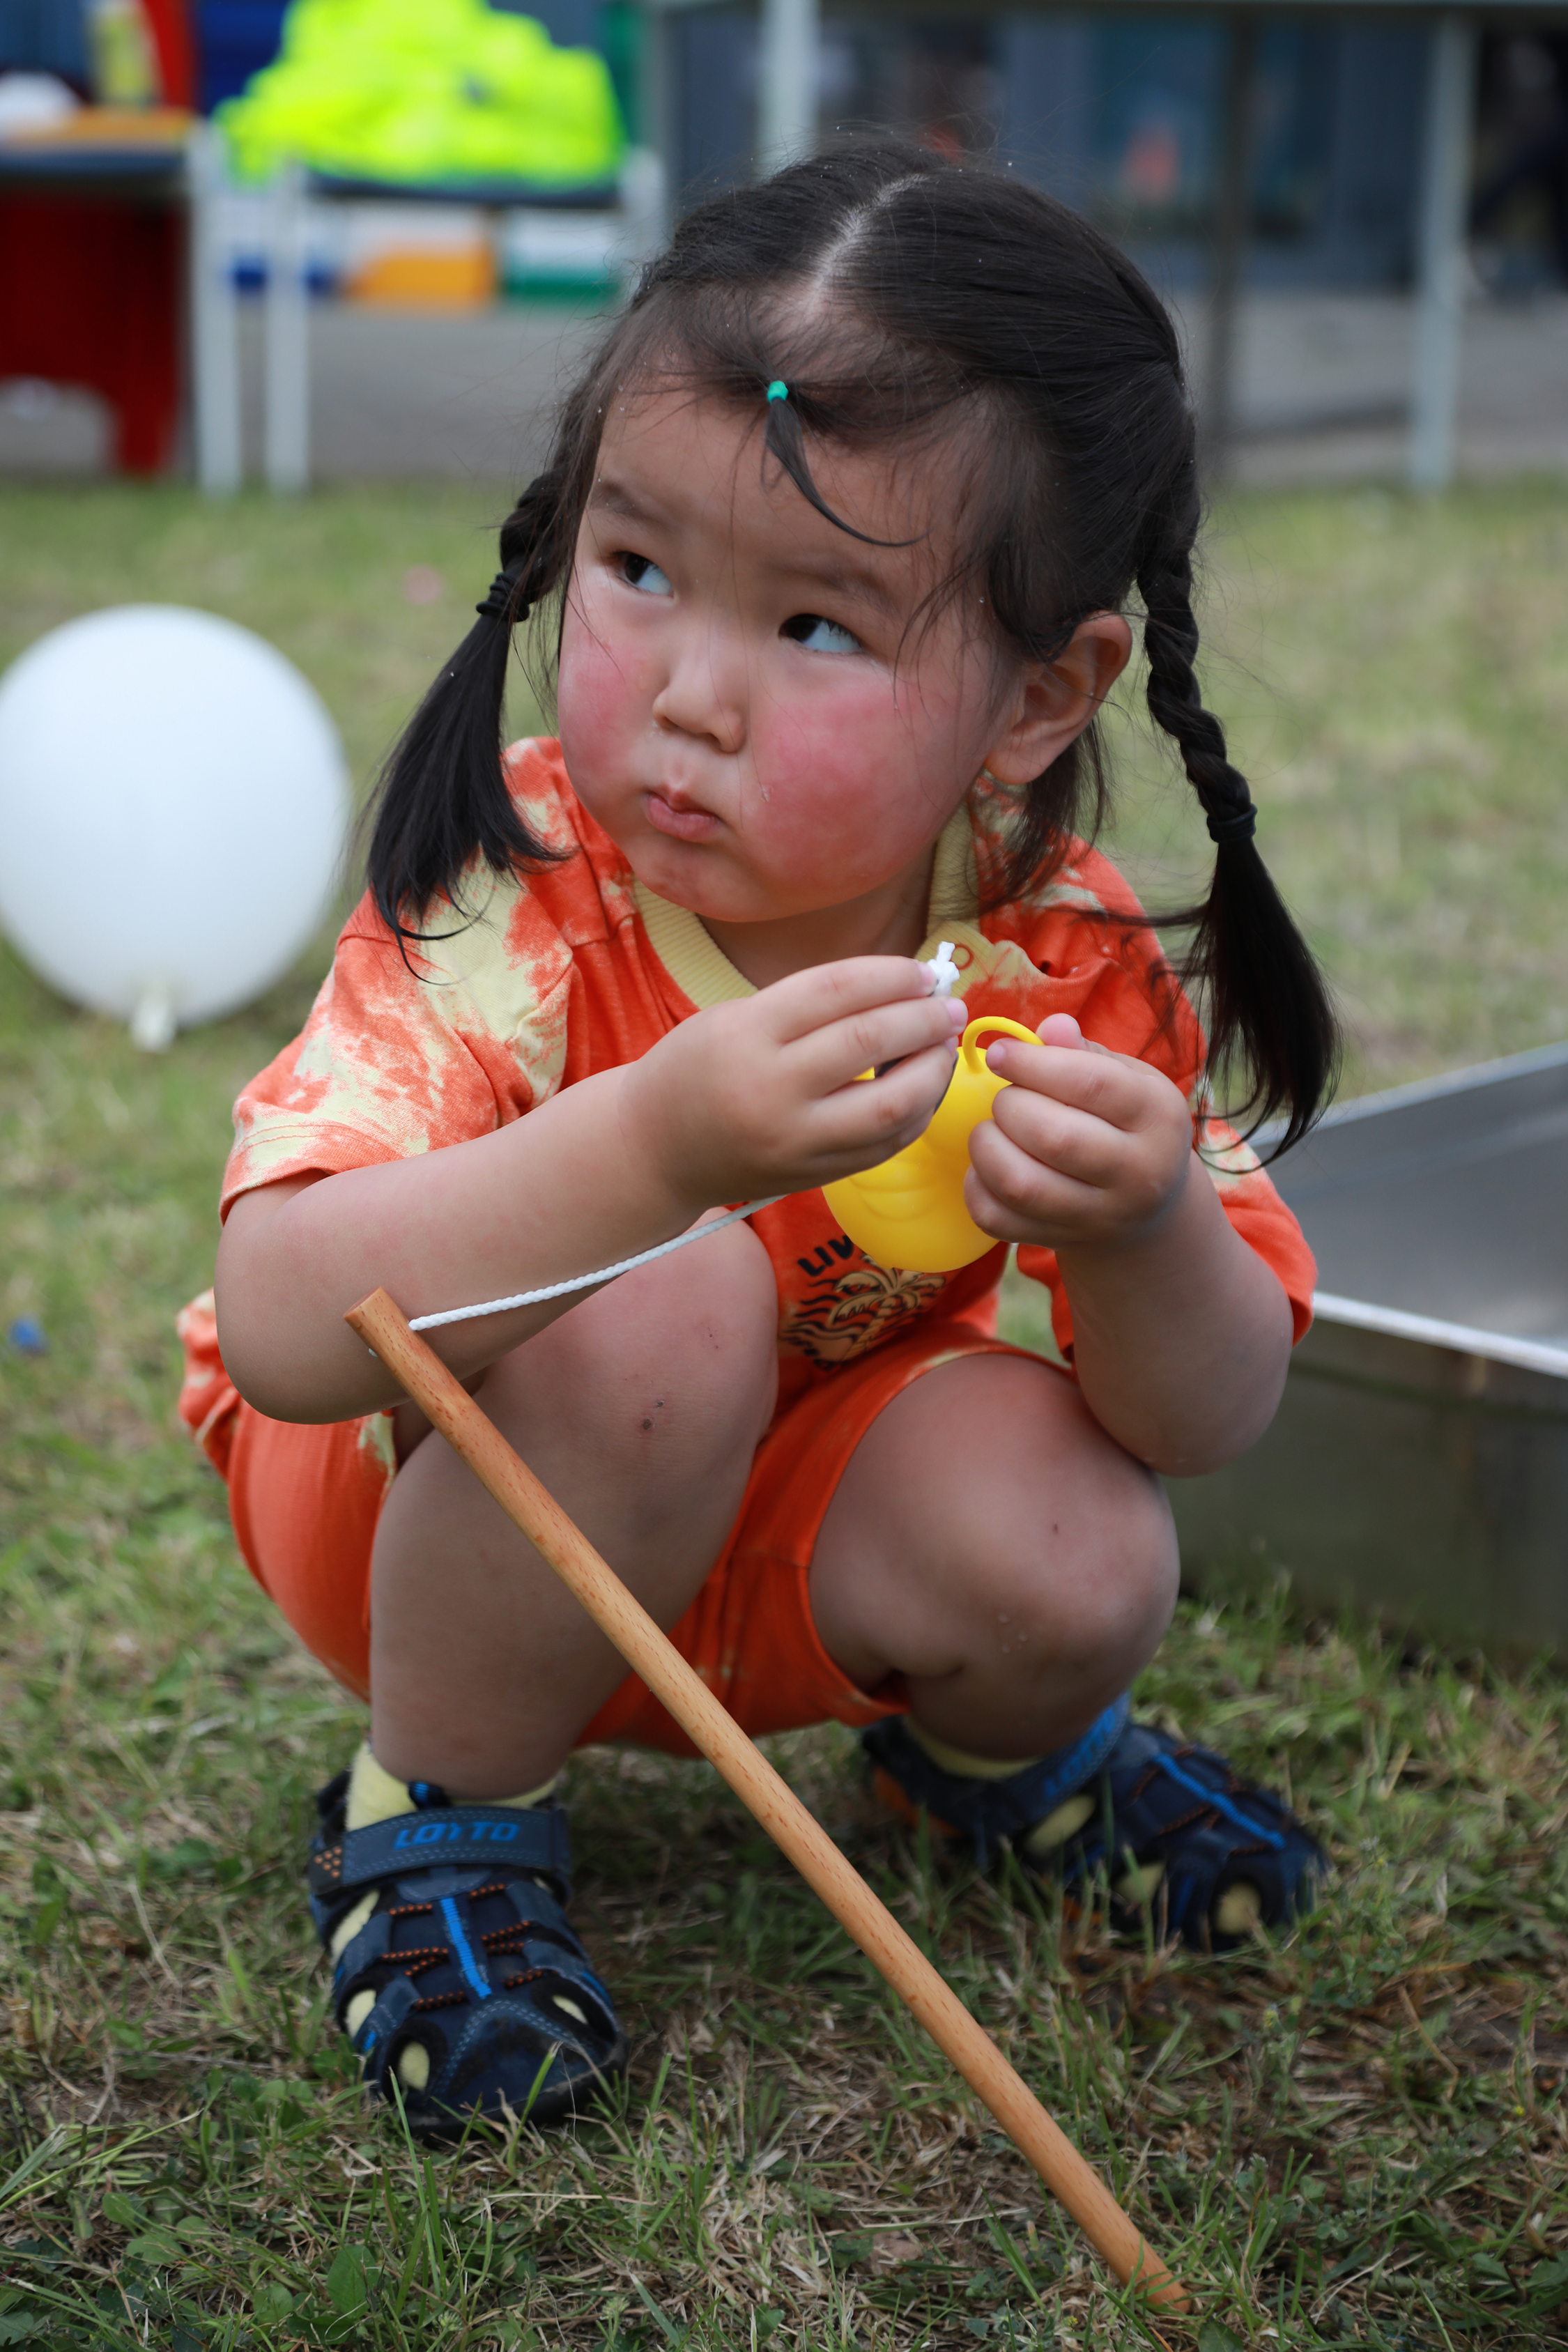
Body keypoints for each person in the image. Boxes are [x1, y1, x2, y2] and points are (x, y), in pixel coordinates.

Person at [181, 137, 1337, 2135]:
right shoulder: (520, 902)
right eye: (639, 571)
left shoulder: (1047, 958)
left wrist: (1146, 1218)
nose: (689, 699)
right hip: (424, 1523)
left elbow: (1204, 1414)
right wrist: (654, 1147)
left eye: (814, 626)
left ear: (1037, 700)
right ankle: (436, 1811)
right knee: (667, 1296)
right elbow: (287, 1327)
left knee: (1081, 1538)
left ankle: (982, 1766)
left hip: (777, 1537)